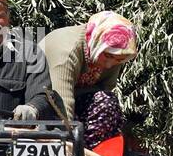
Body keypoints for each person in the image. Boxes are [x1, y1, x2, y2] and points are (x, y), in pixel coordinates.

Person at [40, 12, 138, 147]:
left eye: (119, 60)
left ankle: (94, 154)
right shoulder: (67, 53)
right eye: (108, 56)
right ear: (97, 41)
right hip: (48, 105)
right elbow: (62, 108)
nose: (109, 65)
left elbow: (105, 90)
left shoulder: (112, 51)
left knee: (107, 103)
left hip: (78, 102)